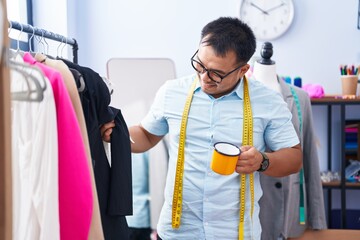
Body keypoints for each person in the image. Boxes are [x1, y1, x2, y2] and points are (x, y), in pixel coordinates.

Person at [101, 17, 302, 240]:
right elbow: (148, 135)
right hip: (177, 231)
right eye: (200, 65)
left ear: (243, 69)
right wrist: (118, 135)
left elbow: (294, 158)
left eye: (216, 73)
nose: (204, 78)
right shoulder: (172, 92)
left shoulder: (267, 101)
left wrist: (262, 161)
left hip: (234, 233)